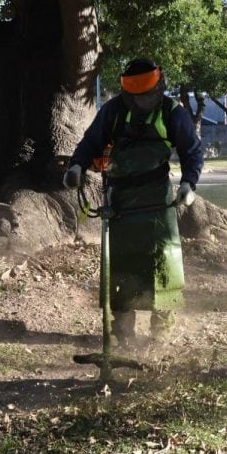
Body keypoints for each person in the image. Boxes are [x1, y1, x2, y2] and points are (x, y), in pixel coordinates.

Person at [64, 58, 203, 346]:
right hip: (120, 200)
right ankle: (123, 330)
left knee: (164, 261)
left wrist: (189, 183)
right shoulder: (113, 111)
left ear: (159, 87)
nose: (142, 101)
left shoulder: (172, 112)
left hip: (158, 199)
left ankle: (161, 332)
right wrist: (76, 166)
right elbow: (91, 141)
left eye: (148, 95)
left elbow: (192, 151)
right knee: (121, 264)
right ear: (127, 92)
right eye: (136, 95)